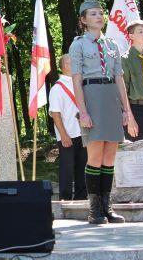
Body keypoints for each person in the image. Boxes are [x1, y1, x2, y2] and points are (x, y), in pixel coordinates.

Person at [69, 0, 138, 224]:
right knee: (96, 156)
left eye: (100, 13)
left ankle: (107, 207)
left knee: (109, 157)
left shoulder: (112, 45)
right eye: (93, 14)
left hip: (111, 98)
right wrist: (83, 111)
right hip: (92, 97)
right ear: (83, 20)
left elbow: (119, 79)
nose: (99, 17)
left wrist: (127, 111)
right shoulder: (78, 45)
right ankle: (94, 209)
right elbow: (76, 80)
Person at [49, 54, 87, 201]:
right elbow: (55, 113)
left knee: (82, 168)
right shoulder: (57, 88)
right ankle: (64, 199)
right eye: (70, 63)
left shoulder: (80, 83)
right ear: (63, 66)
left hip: (82, 133)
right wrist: (63, 135)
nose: (74, 65)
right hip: (68, 134)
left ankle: (81, 198)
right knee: (67, 169)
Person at [122, 19, 143, 141]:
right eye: (141, 31)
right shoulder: (125, 60)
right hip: (136, 111)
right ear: (131, 36)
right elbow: (123, 92)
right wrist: (130, 119)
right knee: (138, 149)